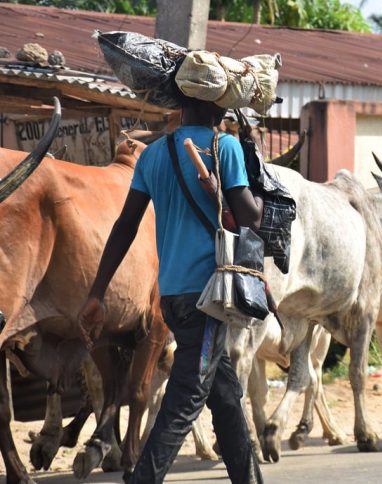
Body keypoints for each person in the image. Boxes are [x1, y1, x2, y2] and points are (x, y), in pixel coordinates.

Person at [77, 97, 264, 484]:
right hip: (209, 298)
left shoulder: (153, 155)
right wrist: (257, 172)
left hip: (174, 297)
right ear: (220, 109)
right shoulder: (223, 147)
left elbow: (125, 226)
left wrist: (97, 292)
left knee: (227, 400)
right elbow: (251, 216)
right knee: (186, 398)